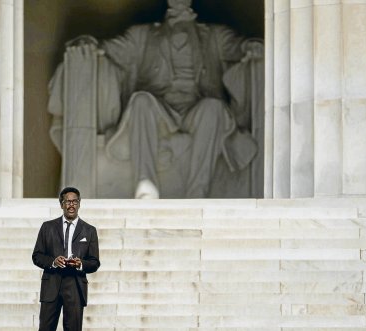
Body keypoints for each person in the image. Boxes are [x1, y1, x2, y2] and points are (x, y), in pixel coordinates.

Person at [49, 0, 263, 199]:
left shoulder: (214, 35)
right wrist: (88, 43)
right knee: (141, 100)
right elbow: (112, 49)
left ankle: (198, 190)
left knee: (214, 107)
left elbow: (238, 47)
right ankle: (146, 183)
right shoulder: (142, 35)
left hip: (196, 109)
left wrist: (251, 46)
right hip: (160, 111)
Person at [31, 187, 101, 331]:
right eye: (68, 201)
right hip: (52, 283)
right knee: (46, 330)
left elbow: (94, 262)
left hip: (75, 285)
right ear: (61, 204)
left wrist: (81, 264)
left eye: (75, 201)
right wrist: (53, 261)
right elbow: (37, 255)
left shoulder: (89, 230)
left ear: (79, 204)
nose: (72, 205)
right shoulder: (47, 227)